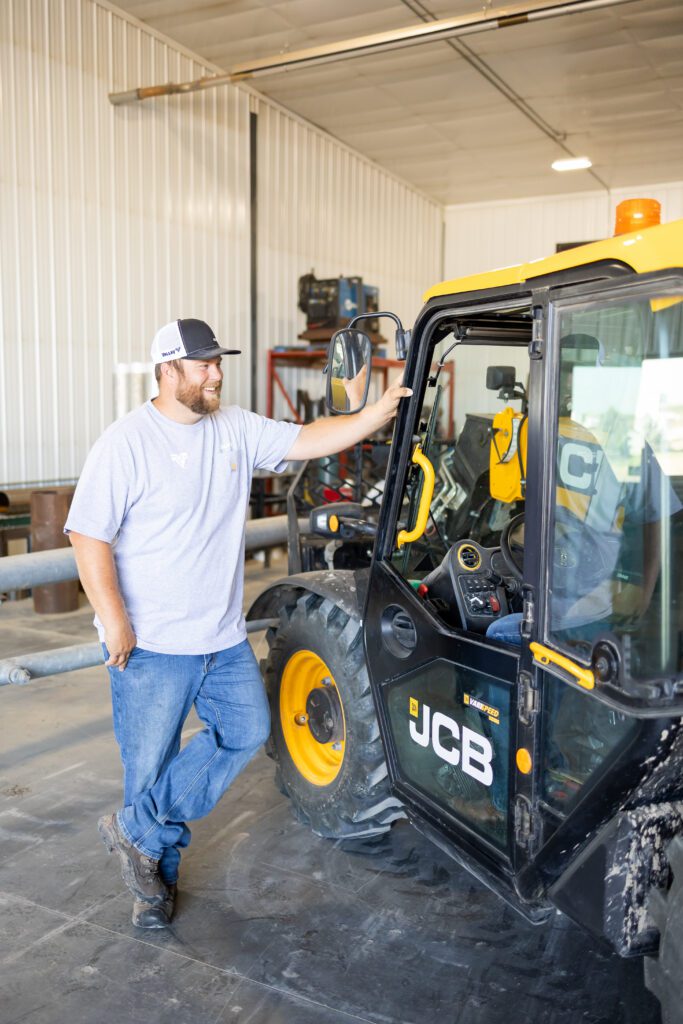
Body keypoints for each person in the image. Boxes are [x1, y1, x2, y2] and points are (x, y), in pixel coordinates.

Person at [65, 317, 411, 929]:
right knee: (148, 766)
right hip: (151, 645)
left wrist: (374, 414)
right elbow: (88, 534)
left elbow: (308, 437)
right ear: (167, 371)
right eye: (203, 365)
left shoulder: (236, 429)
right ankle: (154, 887)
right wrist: (113, 621)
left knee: (249, 730)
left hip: (220, 637)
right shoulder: (126, 443)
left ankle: (134, 831)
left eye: (218, 362)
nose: (216, 373)